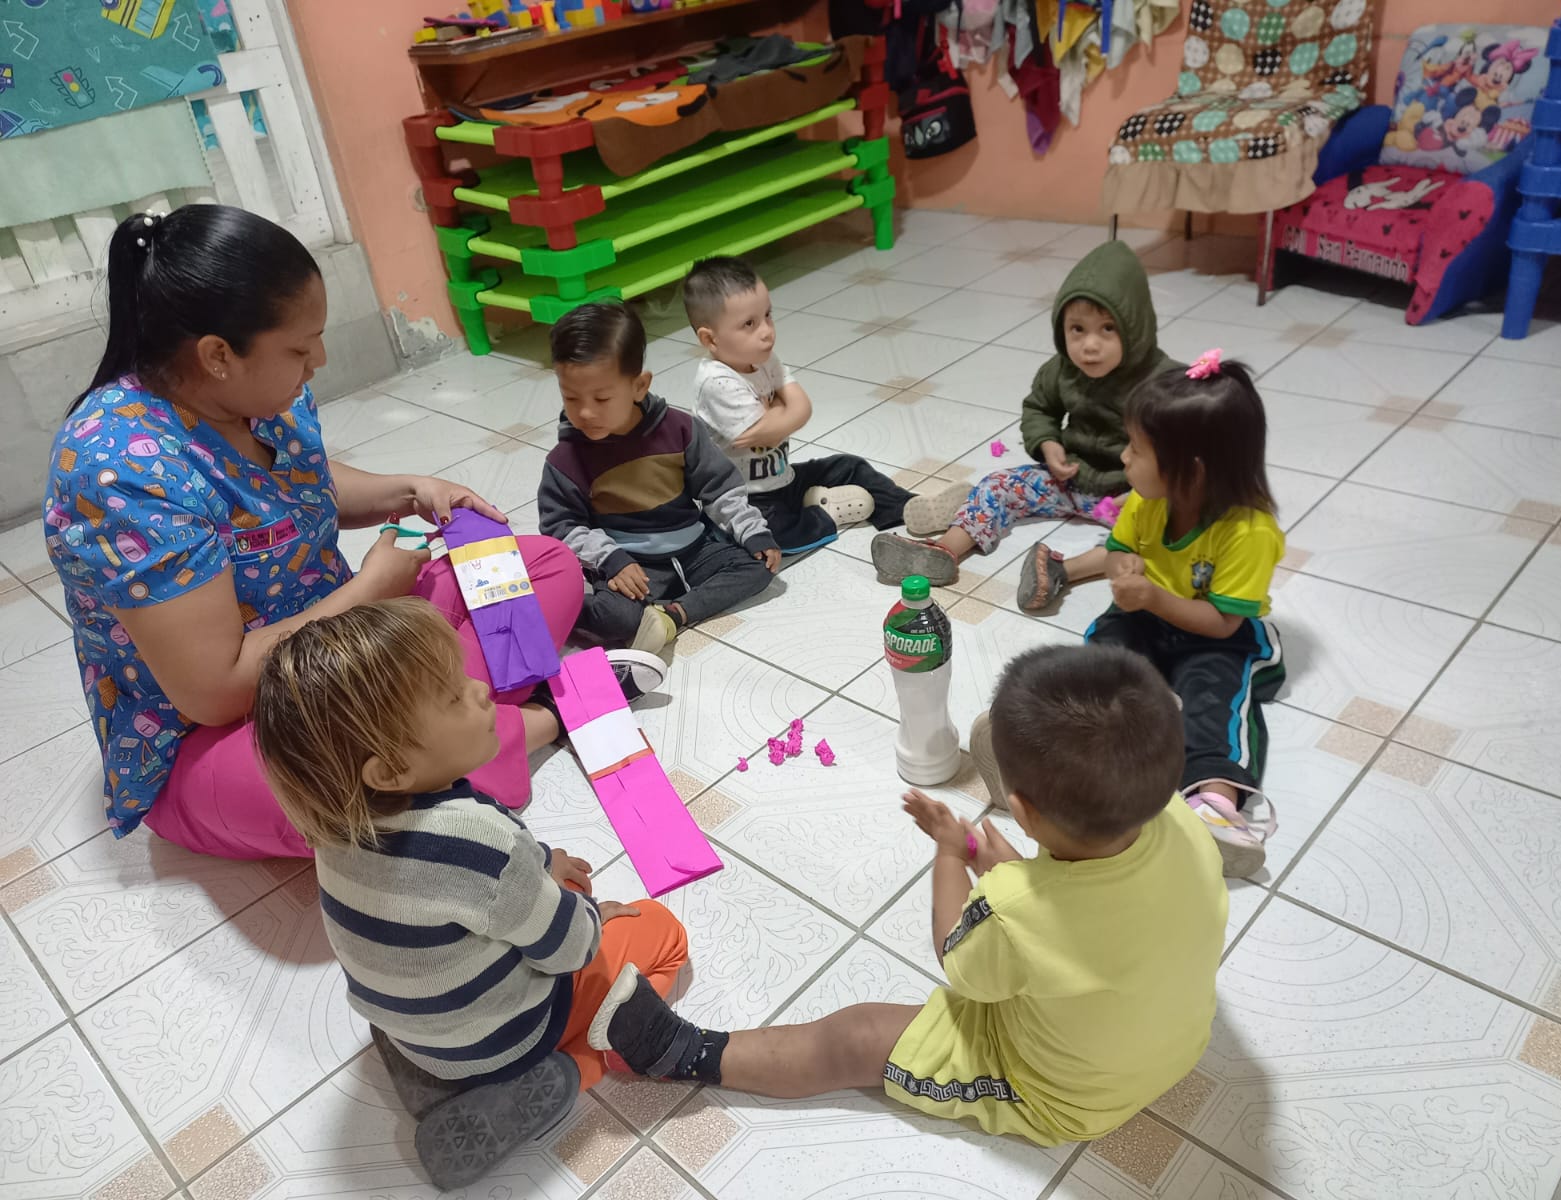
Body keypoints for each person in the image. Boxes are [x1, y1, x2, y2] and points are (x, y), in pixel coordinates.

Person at [41, 205, 657, 861]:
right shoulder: (118, 470)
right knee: (319, 789)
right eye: (300, 349)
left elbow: (299, 486)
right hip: (235, 724)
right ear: (219, 356)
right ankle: (531, 720)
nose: (320, 360)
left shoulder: (260, 396)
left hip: (352, 647)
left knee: (545, 566)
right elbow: (216, 691)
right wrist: (368, 590)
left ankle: (447, 740)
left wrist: (411, 489)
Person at [584, 644, 1227, 1147]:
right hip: (1174, 1042)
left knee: (857, 1036)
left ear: (1021, 809)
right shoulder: (1182, 822)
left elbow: (958, 955)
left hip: (1063, 1094)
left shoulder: (1019, 914)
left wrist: (950, 852)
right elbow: (1069, 904)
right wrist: (997, 865)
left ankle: (682, 1053)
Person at [253, 598, 688, 1190]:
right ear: (390, 770)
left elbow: (458, 888)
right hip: (506, 1039)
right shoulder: (480, 840)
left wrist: (542, 867)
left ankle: (429, 1076)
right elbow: (570, 949)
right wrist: (588, 912)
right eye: (454, 697)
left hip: (414, 1033)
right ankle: (574, 1066)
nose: (481, 690)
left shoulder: (336, 828)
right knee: (660, 931)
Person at [871, 240, 1179, 609]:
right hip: (1070, 479)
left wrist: (1148, 490)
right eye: (1077, 329)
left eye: (1107, 329)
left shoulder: (1163, 382)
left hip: (1132, 494)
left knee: (1158, 536)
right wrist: (1049, 444)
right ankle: (944, 550)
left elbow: (1186, 448)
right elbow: (1039, 409)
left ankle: (1062, 571)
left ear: (1136, 328)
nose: (1089, 346)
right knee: (998, 484)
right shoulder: (1061, 369)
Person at [1085, 350, 1286, 876]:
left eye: (1136, 448)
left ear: (1190, 471)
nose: (1124, 457)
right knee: (1104, 658)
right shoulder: (1146, 499)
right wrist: (1124, 570)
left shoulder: (1250, 533)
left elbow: (1223, 622)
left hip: (1216, 634)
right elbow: (1117, 550)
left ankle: (1214, 804)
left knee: (1211, 696)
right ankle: (1084, 747)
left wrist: (1152, 596)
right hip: (1147, 617)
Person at [538, 301, 780, 654]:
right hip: (630, 564)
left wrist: (751, 531)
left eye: (602, 398)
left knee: (760, 567)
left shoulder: (680, 429)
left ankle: (673, 615)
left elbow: (720, 490)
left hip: (696, 549)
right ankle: (562, 608)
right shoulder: (565, 460)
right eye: (571, 398)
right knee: (617, 619)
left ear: (639, 386)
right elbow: (561, 526)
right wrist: (612, 560)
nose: (586, 412)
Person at [682, 255, 915, 553]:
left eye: (768, 315)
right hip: (746, 499)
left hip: (782, 478)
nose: (766, 331)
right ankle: (826, 512)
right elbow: (771, 431)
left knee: (849, 465)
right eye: (749, 324)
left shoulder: (764, 359)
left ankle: (907, 508)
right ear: (710, 339)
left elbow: (803, 408)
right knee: (773, 536)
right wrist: (782, 410)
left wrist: (780, 415)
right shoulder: (716, 382)